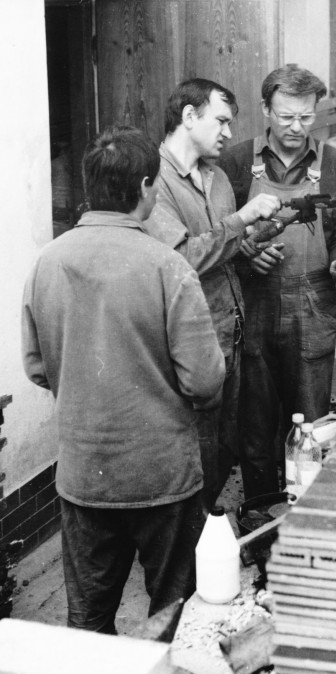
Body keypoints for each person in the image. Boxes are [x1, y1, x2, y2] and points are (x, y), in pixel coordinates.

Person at [21, 125, 226, 634]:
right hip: (162, 475)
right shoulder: (167, 266)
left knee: (88, 623)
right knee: (173, 615)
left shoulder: (47, 262)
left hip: (83, 475)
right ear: (144, 188)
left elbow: (37, 366)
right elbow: (204, 381)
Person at [218, 64, 336, 499]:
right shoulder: (234, 162)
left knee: (311, 421)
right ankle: (259, 507)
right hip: (253, 302)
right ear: (266, 109)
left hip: (313, 302)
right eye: (286, 117)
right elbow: (218, 233)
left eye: (306, 117)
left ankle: (305, 510)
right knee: (255, 419)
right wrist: (246, 254)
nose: (297, 128)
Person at [144, 78, 280, 508]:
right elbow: (181, 258)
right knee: (194, 453)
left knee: (224, 445)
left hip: (230, 334)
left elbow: (220, 248)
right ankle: (192, 536)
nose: (228, 132)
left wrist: (256, 236)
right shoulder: (155, 181)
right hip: (189, 344)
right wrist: (241, 220)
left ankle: (203, 528)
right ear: (189, 116)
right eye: (220, 121)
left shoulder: (217, 177)